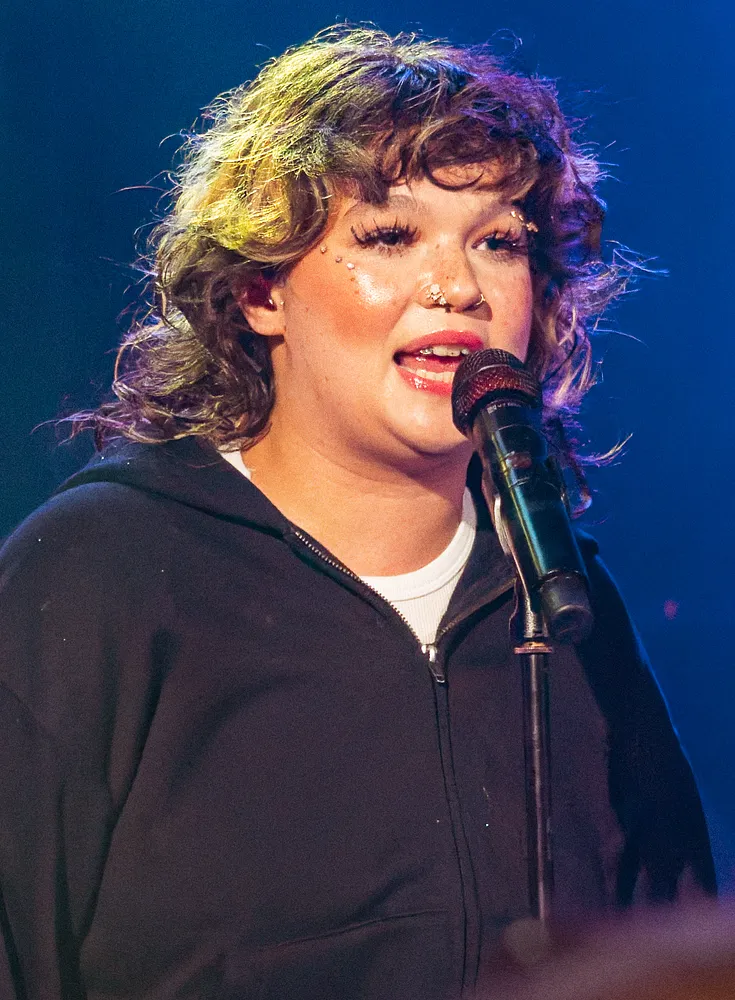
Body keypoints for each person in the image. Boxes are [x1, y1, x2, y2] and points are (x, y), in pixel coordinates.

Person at [0, 25, 715, 1000]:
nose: (458, 287)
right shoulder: (99, 578)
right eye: (389, 236)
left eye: (498, 242)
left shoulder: (565, 606)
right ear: (260, 291)